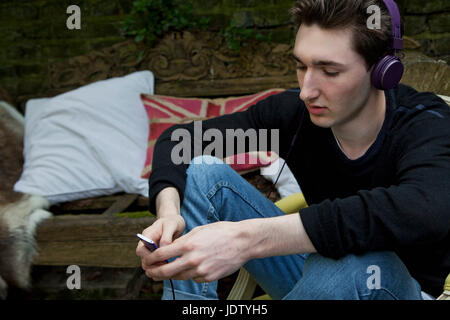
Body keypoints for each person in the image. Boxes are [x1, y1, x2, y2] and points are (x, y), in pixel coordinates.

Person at [136, 0, 450, 300]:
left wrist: (246, 239)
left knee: (354, 265)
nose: (306, 91)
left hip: (396, 287)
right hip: (316, 269)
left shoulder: (426, 123)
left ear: (383, 71)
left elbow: (424, 209)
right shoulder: (293, 116)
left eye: (329, 71)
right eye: (301, 66)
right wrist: (168, 214)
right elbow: (181, 142)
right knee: (203, 171)